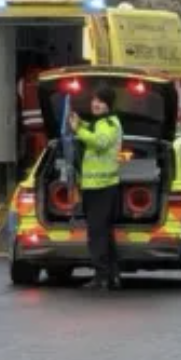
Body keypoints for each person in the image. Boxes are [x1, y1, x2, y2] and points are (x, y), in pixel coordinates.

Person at [69, 86, 123, 291]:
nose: (95, 104)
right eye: (93, 100)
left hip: (102, 187)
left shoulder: (109, 123)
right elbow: (92, 129)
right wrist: (80, 123)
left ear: (108, 105)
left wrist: (78, 130)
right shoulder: (100, 122)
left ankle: (101, 277)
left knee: (97, 234)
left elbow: (99, 142)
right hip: (96, 186)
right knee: (105, 234)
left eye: (100, 101)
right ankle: (112, 275)